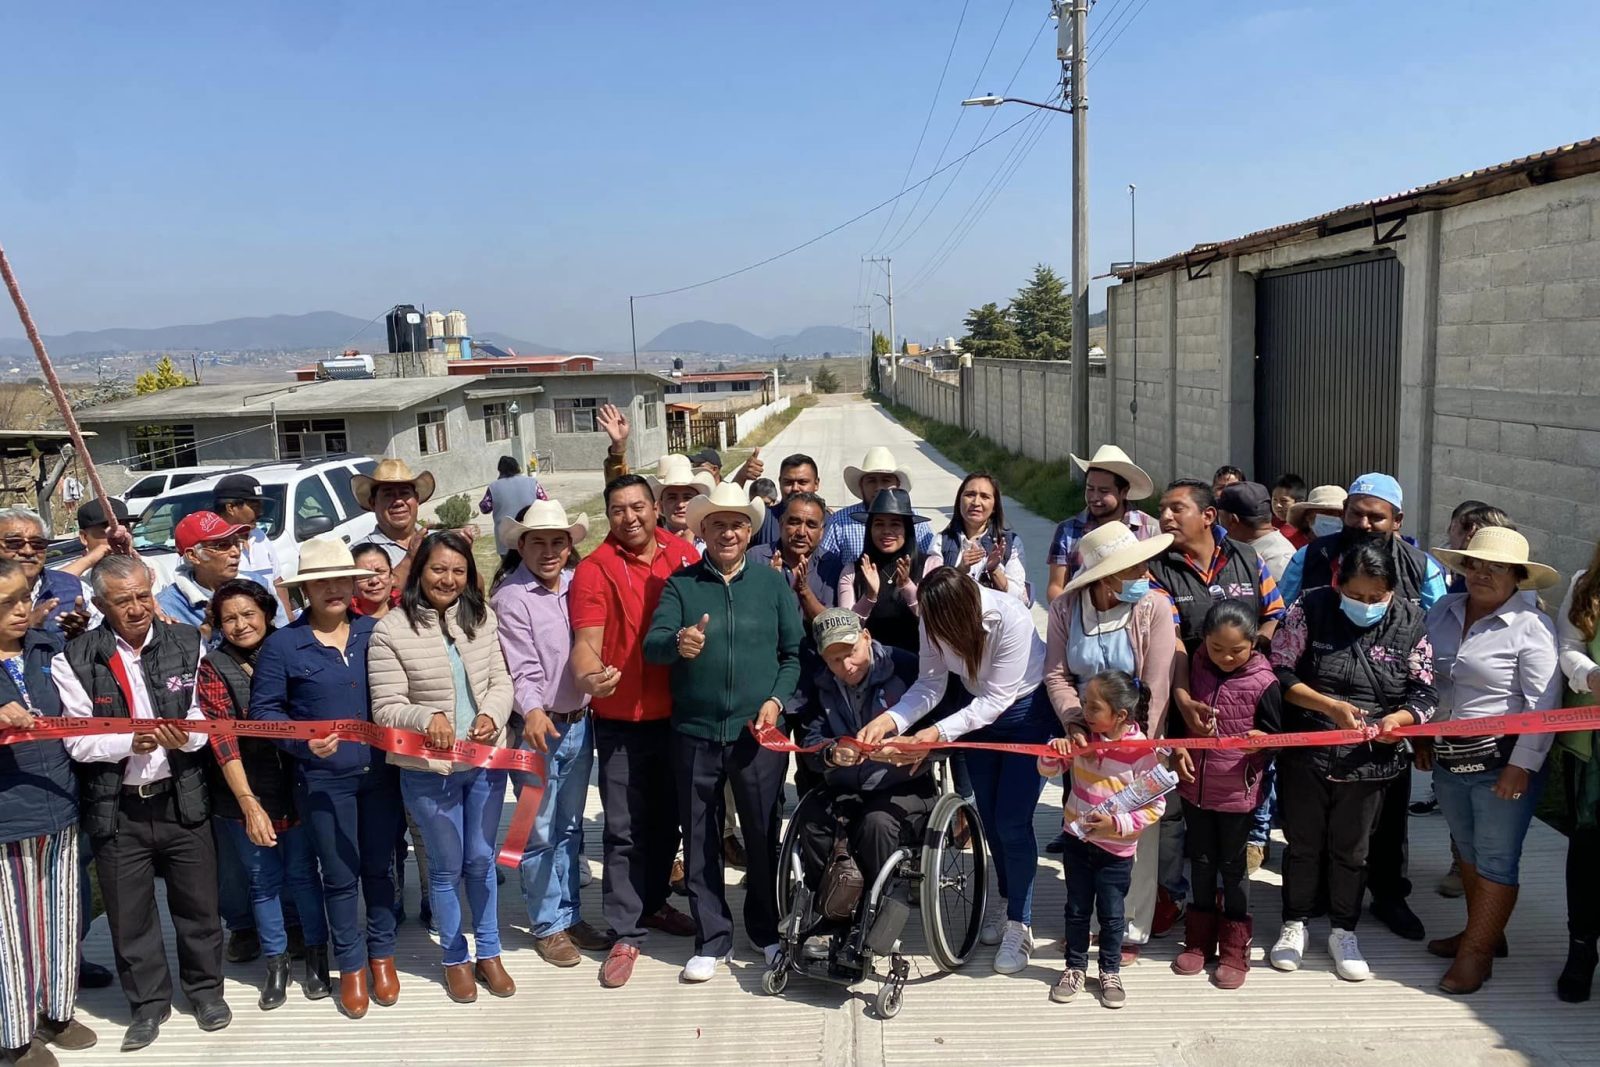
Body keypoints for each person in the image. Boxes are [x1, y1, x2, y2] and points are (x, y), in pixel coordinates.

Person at [54, 554, 230, 1052]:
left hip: (182, 796)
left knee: (198, 905)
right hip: (119, 805)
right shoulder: (75, 658)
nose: (136, 608)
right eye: (122, 600)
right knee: (130, 915)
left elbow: (204, 714)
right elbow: (78, 740)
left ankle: (205, 992)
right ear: (100, 604)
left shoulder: (186, 640)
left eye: (142, 596)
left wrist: (183, 738)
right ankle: (148, 1006)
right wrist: (133, 741)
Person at [1277, 473, 1447, 942]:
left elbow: (1432, 641)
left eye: (1377, 516)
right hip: (1314, 718)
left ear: (1398, 520)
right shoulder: (1312, 557)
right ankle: (1309, 906)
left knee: (1386, 821)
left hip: (1387, 727)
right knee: (1309, 826)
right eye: (1357, 513)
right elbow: (1281, 621)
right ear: (1344, 513)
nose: (1366, 523)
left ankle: (1389, 895)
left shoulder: (1421, 567)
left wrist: (1416, 722)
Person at [859, 568, 1055, 976]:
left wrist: (933, 734)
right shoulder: (932, 616)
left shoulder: (1010, 617)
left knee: (1013, 822)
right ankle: (1006, 898)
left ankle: (1022, 923)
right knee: (989, 817)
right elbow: (930, 684)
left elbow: (997, 699)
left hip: (1023, 713)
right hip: (975, 713)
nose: (939, 633)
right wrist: (892, 721)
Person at [645, 482, 799, 982]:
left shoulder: (771, 585)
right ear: (702, 530)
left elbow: (793, 655)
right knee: (701, 837)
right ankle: (711, 937)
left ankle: (767, 931)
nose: (728, 532)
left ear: (749, 530)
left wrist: (776, 701)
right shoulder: (681, 585)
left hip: (758, 735)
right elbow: (654, 645)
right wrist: (679, 643)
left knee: (760, 834)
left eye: (737, 524)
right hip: (693, 731)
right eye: (717, 524)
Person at [251, 538, 401, 1020]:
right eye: (321, 581)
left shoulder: (377, 632)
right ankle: (352, 965)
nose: (333, 588)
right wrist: (301, 744)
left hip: (379, 776)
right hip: (321, 781)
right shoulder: (282, 646)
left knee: (381, 870)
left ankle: (383, 957)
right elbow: (264, 715)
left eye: (341, 579)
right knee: (339, 878)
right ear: (305, 589)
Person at [369, 532, 516, 1003]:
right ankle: (454, 957)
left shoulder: (482, 618)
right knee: (446, 868)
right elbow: (386, 707)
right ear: (419, 573)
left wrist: (492, 713)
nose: (448, 579)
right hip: (429, 770)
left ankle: (489, 951)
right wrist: (424, 718)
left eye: (458, 570)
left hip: (486, 763)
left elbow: (501, 679)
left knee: (482, 859)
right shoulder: (390, 629)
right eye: (438, 569)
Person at [569, 474, 700, 989]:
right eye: (619, 510)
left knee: (669, 822)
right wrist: (588, 677)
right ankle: (625, 930)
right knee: (623, 829)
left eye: (639, 506)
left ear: (655, 507)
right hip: (622, 719)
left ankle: (654, 904)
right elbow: (586, 641)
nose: (631, 517)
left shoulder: (684, 554)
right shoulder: (594, 570)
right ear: (609, 516)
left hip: (681, 714)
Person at [1424, 527, 1561, 995]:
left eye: (1495, 567)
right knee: (1466, 847)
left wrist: (1521, 764)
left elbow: (1542, 704)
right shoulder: (1441, 612)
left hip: (1502, 763)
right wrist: (1420, 735)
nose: (1481, 574)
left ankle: (1476, 954)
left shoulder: (1532, 627)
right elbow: (1428, 681)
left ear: (1517, 577)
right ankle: (1482, 933)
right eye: (1474, 565)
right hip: (1447, 757)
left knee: (1498, 857)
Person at [1043, 520, 1178, 959]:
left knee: (1133, 835)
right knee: (1086, 826)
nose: (1143, 576)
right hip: (1085, 737)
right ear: (1106, 577)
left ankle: (1129, 928)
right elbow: (1057, 673)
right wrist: (1073, 720)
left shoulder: (1153, 607)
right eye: (1133, 569)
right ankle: (1085, 925)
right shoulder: (1066, 609)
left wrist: (1145, 749)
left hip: (1136, 738)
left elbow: (1156, 683)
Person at [196, 578, 330, 1010]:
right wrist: (247, 802)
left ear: (267, 613)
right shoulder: (213, 666)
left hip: (298, 781)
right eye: (229, 618)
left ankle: (314, 955)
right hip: (243, 789)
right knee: (262, 880)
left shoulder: (293, 647)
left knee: (304, 875)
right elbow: (221, 739)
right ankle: (276, 964)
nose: (240, 625)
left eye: (248, 614)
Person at [491, 501, 612, 968]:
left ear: (569, 546)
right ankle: (547, 924)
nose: (548, 551)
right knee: (538, 830)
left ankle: (568, 914)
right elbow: (519, 667)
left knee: (569, 827)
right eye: (537, 541)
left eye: (557, 541)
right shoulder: (511, 597)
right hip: (536, 731)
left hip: (579, 725)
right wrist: (534, 709)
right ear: (520, 545)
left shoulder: (577, 587)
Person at [0, 559, 98, 1064]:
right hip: (8, 817)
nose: (22, 610)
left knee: (60, 914)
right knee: (12, 929)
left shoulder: (44, 646)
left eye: (23, 598)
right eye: (7, 604)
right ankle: (16, 1036)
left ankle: (57, 1010)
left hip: (60, 802)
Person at [1038, 671, 1167, 1009]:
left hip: (1116, 851)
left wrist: (1117, 824)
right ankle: (1074, 966)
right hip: (1077, 842)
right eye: (1083, 704)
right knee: (1077, 910)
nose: (1084, 713)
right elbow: (1048, 770)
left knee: (1112, 916)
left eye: (1092, 708)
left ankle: (1109, 969)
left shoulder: (1141, 752)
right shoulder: (1082, 738)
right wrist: (1055, 749)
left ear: (1120, 715)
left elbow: (1156, 805)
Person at [1169, 601, 1282, 989]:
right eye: (1217, 649)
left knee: (1233, 869)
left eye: (1237, 649)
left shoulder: (1265, 682)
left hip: (1238, 794)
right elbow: (1175, 718)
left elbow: (1278, 737)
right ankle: (1198, 941)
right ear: (1205, 643)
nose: (1227, 657)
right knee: (1200, 861)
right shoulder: (1195, 666)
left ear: (1254, 643)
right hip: (1193, 788)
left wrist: (1263, 744)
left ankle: (1235, 948)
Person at [794, 610, 928, 902]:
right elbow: (810, 742)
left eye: (851, 651)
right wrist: (831, 753)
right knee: (813, 820)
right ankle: (827, 907)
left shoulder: (906, 667)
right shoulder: (819, 683)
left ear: (866, 637)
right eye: (835, 660)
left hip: (903, 784)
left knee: (876, 824)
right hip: (843, 785)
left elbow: (940, 725)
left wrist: (915, 748)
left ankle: (878, 907)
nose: (847, 665)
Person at [1556, 537, 1600, 1002]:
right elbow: (1566, 644)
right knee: (1588, 851)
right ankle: (1582, 948)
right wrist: (1590, 675)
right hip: (1593, 748)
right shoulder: (1586, 586)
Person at [1046, 445, 1162, 604]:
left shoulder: (1150, 529)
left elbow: (1160, 584)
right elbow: (1056, 586)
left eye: (1103, 491)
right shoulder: (1068, 531)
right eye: (1090, 489)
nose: (1094, 497)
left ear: (1124, 492)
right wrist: (1069, 618)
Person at [837, 489, 944, 653]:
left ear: (907, 529)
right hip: (870, 666)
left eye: (895, 524)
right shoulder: (852, 571)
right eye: (879, 524)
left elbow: (936, 622)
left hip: (920, 665)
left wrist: (907, 587)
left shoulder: (931, 565)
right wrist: (869, 597)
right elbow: (846, 630)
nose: (886, 531)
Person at [815, 447, 935, 588]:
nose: (879, 487)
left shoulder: (915, 522)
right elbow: (826, 564)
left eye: (886, 480)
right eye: (871, 481)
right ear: (861, 485)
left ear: (898, 484)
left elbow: (931, 562)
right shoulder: (839, 522)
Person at [351, 458, 469, 593]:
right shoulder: (360, 553)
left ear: (417, 499)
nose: (398, 501)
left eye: (404, 493)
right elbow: (378, 596)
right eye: (388, 494)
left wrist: (465, 558)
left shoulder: (439, 542)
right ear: (373, 503)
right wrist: (411, 556)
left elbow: (476, 588)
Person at [155, 511, 252, 635]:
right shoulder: (168, 607)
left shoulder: (257, 584)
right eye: (222, 545)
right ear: (193, 556)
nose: (235, 552)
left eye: (236, 543)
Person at [212, 474, 292, 622]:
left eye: (260, 505)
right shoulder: (211, 546)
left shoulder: (260, 536)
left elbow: (277, 582)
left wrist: (288, 621)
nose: (260, 512)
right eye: (254, 506)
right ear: (231, 508)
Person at [940, 471, 1029, 604]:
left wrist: (994, 571)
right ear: (959, 501)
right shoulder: (941, 542)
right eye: (970, 495)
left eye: (985, 497)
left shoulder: (1010, 544)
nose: (976, 502)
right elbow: (931, 595)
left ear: (994, 507)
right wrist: (960, 571)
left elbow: (1020, 600)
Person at [0, 507, 86, 634]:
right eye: (14, 543)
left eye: (37, 543)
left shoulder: (74, 587)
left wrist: (80, 637)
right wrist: (28, 630)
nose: (28, 551)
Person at [1216, 482, 1296, 583]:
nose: (1218, 520)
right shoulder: (1238, 547)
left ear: (1233, 520)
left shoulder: (1278, 558)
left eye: (1220, 516)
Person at [752, 453, 824, 549]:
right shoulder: (762, 517)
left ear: (816, 484)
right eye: (788, 482)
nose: (795, 488)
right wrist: (741, 478)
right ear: (780, 482)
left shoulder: (832, 523)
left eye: (802, 482)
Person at [479, 455, 548, 555]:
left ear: (500, 470)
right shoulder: (532, 482)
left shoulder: (494, 487)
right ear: (517, 468)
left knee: (509, 568)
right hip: (529, 533)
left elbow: (485, 508)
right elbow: (544, 501)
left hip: (505, 537)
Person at [648, 454, 716, 551]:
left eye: (687, 497)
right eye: (672, 498)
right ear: (660, 504)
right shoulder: (650, 544)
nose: (680, 504)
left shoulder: (714, 540)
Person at [1285, 484, 1348, 550]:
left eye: (1341, 514)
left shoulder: (1350, 547)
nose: (1336, 518)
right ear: (1308, 516)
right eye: (1329, 512)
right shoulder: (1289, 547)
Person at [349, 542, 399, 618]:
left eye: (380, 572)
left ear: (391, 575)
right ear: (351, 581)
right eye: (364, 575)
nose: (374, 580)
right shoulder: (342, 620)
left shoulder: (410, 608)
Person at [1270, 474, 1308, 547]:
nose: (1278, 505)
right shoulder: (1268, 524)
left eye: (1283, 501)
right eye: (1275, 499)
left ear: (1298, 502)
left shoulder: (1305, 530)